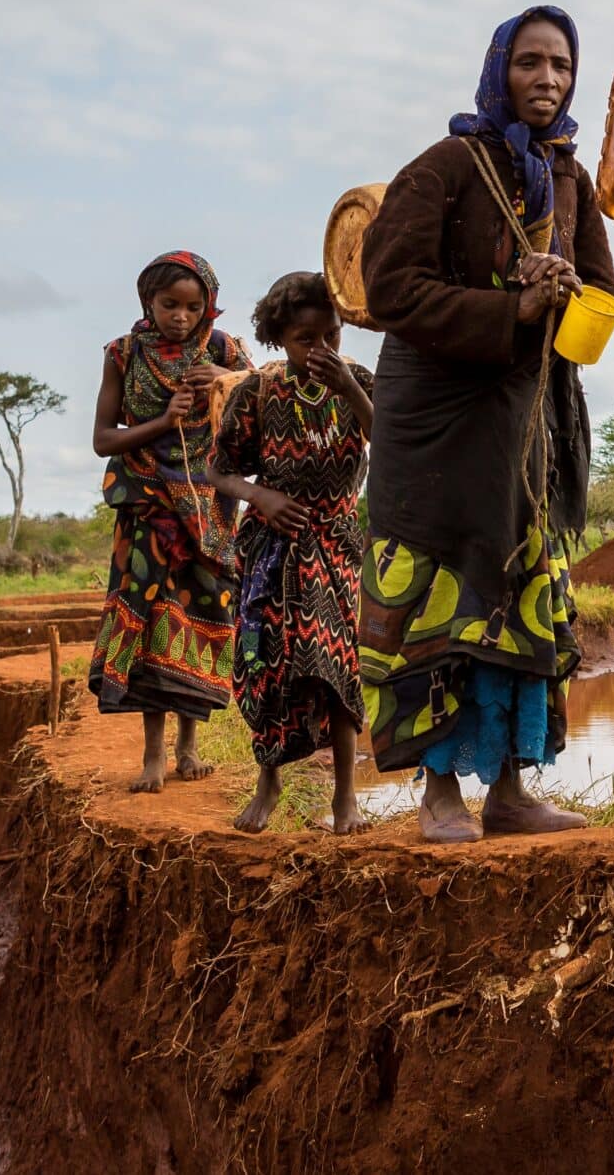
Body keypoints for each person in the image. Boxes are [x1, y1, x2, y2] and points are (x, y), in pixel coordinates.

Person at [358, 7, 614, 844]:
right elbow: (390, 290)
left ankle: (509, 791)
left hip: (522, 414)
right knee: (441, 593)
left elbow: (602, 294)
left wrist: (564, 287)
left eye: (562, 66)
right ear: (499, 69)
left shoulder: (570, 178)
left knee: (521, 588)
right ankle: (439, 793)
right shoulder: (444, 167)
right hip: (436, 419)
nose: (548, 79)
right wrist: (512, 306)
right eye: (531, 63)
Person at [211, 271, 374, 835]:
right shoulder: (257, 392)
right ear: (280, 338)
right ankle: (270, 781)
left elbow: (392, 439)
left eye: (333, 335)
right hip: (273, 547)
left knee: (337, 662)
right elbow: (220, 469)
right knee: (269, 666)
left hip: (336, 541)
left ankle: (345, 799)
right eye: (308, 340)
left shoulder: (361, 383)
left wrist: (350, 388)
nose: (323, 350)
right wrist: (263, 496)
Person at [90, 250, 252, 793]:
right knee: (148, 616)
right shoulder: (123, 354)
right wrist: (163, 420)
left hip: (209, 511)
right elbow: (102, 440)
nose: (180, 316)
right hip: (146, 508)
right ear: (147, 302)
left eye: (192, 305)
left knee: (199, 614)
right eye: (168, 305)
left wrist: (228, 381)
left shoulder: (227, 350)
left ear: (208, 305)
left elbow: (264, 405)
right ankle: (153, 753)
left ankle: (189, 747)